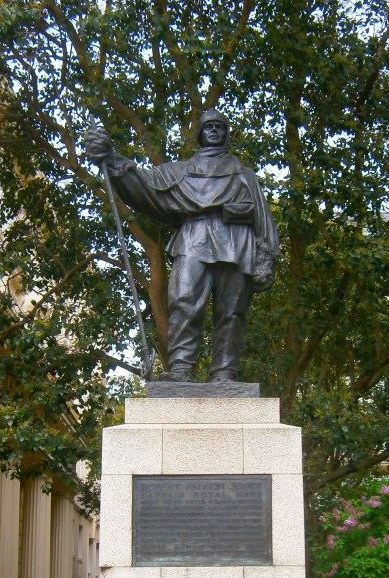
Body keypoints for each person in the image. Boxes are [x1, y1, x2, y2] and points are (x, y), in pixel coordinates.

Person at [85, 109, 279, 382]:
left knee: (232, 310)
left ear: (226, 133)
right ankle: (181, 369)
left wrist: (266, 257)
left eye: (219, 127)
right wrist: (109, 157)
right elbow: (141, 182)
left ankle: (224, 373)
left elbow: (263, 218)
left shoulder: (245, 176)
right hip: (194, 237)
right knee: (184, 301)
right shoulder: (180, 172)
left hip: (238, 241)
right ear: (199, 133)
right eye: (208, 126)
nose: (213, 131)